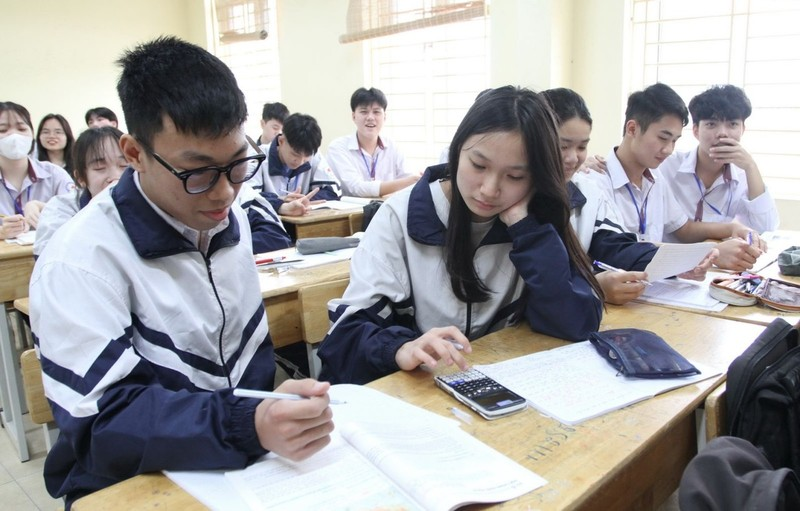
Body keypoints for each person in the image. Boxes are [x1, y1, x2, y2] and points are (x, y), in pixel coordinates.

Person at [29, 36, 334, 507]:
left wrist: (263, 413)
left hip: (241, 465)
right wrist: (246, 422)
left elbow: (238, 370)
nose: (224, 192)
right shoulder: (78, 261)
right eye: (198, 172)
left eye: (237, 165)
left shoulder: (229, 218)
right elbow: (103, 426)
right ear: (134, 154)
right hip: (131, 485)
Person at [318, 86, 604, 385]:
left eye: (515, 176)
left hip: (491, 385)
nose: (489, 190)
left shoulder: (535, 220)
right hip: (412, 390)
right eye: (478, 165)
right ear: (457, 151)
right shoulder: (400, 216)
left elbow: (576, 323)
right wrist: (400, 348)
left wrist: (528, 232)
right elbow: (347, 334)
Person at [541, 87, 715, 305]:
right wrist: (593, 287)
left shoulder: (587, 192)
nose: (572, 158)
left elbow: (617, 247)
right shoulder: (594, 180)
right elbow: (546, 279)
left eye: (582, 147)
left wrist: (676, 264)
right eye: (563, 146)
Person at [584, 83, 765, 273]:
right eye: (663, 138)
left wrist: (732, 229)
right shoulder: (596, 182)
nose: (669, 150)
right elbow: (621, 249)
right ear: (632, 129)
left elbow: (683, 228)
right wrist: (710, 252)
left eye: (674, 141)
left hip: (656, 281)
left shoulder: (655, 178)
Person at [657, 85, 779, 236]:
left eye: (732, 124)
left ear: (742, 129)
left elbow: (766, 228)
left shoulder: (744, 176)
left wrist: (751, 167)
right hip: (669, 250)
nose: (722, 133)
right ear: (696, 130)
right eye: (711, 124)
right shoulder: (666, 165)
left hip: (720, 251)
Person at [34, 126, 127, 256]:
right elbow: (51, 257)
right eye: (100, 167)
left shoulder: (148, 202)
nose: (116, 177)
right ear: (80, 178)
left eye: (124, 165)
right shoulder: (61, 209)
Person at [326, 87, 419, 197]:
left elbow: (409, 184)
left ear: (385, 117)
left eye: (376, 112)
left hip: (387, 206)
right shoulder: (338, 147)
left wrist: (416, 180)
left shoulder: (393, 146)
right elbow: (356, 188)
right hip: (352, 208)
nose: (370, 117)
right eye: (364, 112)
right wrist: (410, 181)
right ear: (354, 116)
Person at [0, 102, 74, 236]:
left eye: (21, 129)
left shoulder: (55, 174)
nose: (14, 136)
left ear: (32, 134)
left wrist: (43, 207)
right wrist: (1, 232)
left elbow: (78, 215)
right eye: (3, 130)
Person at [250, 112, 341, 216]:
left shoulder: (314, 156)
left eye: (306, 157)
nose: (300, 162)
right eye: (295, 154)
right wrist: (280, 203)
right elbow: (248, 196)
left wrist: (304, 201)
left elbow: (334, 190)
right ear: (281, 141)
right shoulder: (257, 157)